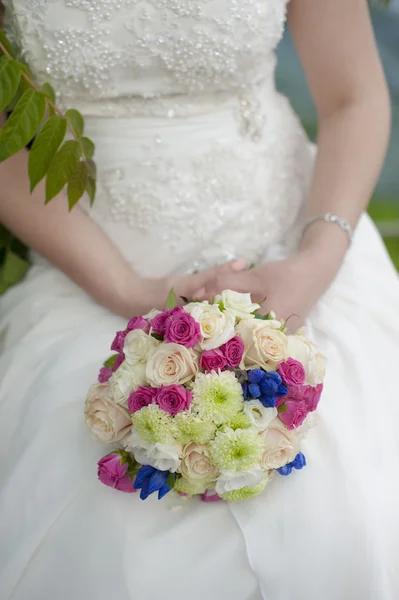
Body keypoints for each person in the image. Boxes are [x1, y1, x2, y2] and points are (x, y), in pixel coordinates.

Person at [0, 1, 398, 598]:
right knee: (102, 533)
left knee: (350, 512)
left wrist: (315, 263)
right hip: (90, 259)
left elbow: (353, 98)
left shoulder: (310, 262)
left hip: (294, 247)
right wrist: (127, 289)